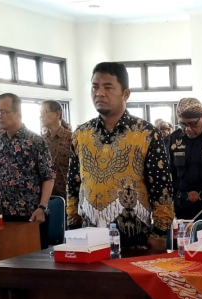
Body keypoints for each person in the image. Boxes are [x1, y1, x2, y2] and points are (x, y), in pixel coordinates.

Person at [66, 62, 174, 252]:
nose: (99, 93)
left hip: (135, 239)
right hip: (88, 239)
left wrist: (159, 234)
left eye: (108, 87)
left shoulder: (146, 133)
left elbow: (161, 188)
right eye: (95, 87)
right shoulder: (81, 134)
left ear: (126, 94)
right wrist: (73, 227)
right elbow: (73, 186)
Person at [0, 93, 55, 250]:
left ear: (18, 113)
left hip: (31, 214)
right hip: (2, 215)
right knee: (5, 258)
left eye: (4, 111)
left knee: (33, 260)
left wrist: (42, 207)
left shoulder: (36, 142)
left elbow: (48, 177)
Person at [168, 97, 202, 220]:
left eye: (193, 124)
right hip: (183, 206)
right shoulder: (176, 138)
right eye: (183, 124)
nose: (188, 129)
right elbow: (172, 173)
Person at [41, 100, 72, 200]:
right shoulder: (40, 141)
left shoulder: (72, 138)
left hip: (68, 196)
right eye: (40, 112)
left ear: (58, 114)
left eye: (44, 112)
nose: (41, 116)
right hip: (45, 197)